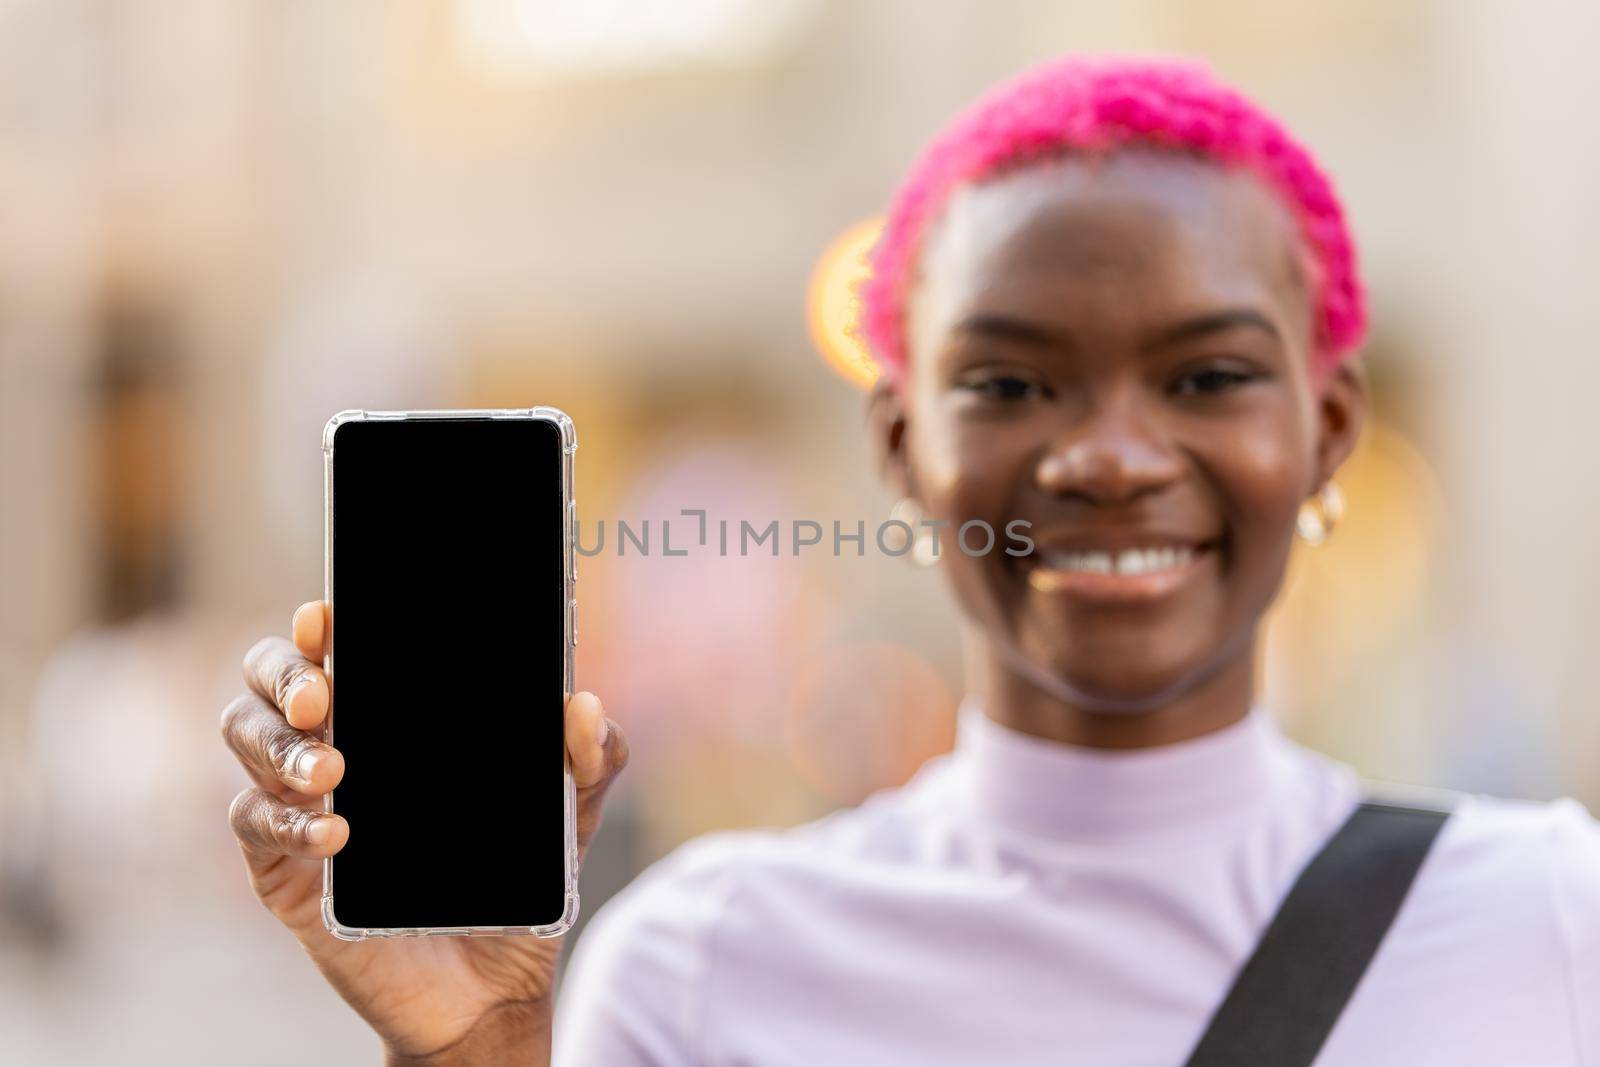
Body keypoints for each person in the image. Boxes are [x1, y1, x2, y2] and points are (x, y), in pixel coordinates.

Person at [220, 56, 1600, 1065]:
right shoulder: (704, 964)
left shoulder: (1550, 922)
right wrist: (474, 1046)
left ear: (1329, 430)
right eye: (1010, 383)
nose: (1110, 457)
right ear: (898, 445)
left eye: (1206, 376)